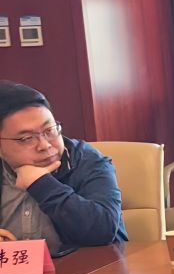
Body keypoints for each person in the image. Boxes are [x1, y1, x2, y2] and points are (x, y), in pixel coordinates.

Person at [0, 81, 125, 253]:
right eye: (26, 138)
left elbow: (102, 232)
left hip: (89, 268)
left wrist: (41, 184)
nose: (45, 145)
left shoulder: (88, 161)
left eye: (49, 130)